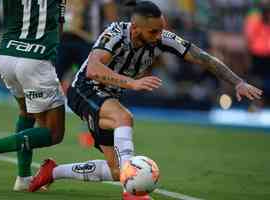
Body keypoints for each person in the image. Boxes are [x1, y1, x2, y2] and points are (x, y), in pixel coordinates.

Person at [28, 1, 263, 200]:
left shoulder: (161, 38)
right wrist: (131, 83)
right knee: (124, 118)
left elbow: (204, 58)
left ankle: (52, 172)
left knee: (115, 170)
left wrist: (238, 82)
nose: (159, 36)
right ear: (136, 28)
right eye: (153, 32)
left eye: (161, 30)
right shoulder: (115, 34)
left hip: (109, 95)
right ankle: (131, 190)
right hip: (84, 91)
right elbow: (92, 68)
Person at [0, 0, 66, 191]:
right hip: (36, 59)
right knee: (53, 133)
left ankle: (23, 178)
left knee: (26, 113)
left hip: (7, 55)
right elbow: (59, 24)